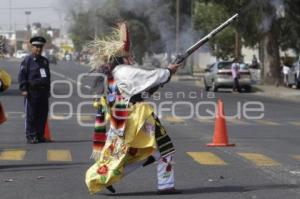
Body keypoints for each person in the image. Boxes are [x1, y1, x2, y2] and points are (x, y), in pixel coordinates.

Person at [85, 22, 182, 195]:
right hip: (136, 117)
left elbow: (143, 88)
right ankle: (166, 186)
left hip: (125, 119)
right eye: (129, 53)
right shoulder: (124, 71)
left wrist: (166, 75)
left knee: (151, 152)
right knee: (162, 149)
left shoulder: (117, 72)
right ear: (121, 57)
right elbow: (151, 76)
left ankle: (107, 177)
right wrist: (168, 71)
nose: (131, 55)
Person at [18, 36, 51, 144]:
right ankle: (31, 136)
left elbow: (47, 76)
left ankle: (40, 135)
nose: (38, 49)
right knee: (31, 115)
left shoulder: (45, 61)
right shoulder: (27, 61)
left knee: (42, 114)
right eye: (36, 47)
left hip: (43, 92)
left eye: (40, 47)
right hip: (31, 92)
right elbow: (22, 75)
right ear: (32, 47)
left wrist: (48, 90)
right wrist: (24, 89)